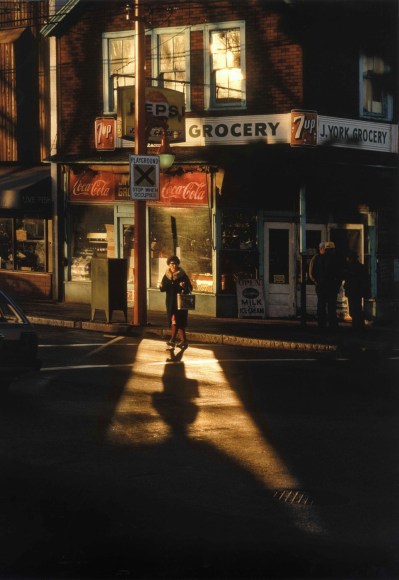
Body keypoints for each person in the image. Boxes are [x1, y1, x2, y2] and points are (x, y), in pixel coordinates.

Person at [159, 255, 193, 350]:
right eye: (171, 264)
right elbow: (163, 288)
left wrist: (184, 286)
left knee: (175, 320)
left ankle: (172, 340)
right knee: (179, 322)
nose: (173, 265)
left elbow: (190, 288)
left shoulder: (182, 275)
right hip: (170, 302)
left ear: (178, 264)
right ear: (169, 265)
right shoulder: (166, 275)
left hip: (180, 301)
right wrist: (161, 286)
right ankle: (183, 341)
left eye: (175, 263)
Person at [309, 241, 342, 330]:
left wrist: (317, 282)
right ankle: (333, 325)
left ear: (325, 249)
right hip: (332, 287)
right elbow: (339, 274)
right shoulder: (336, 259)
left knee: (321, 306)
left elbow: (312, 273)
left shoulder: (317, 258)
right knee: (332, 307)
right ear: (333, 249)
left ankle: (321, 325)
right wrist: (337, 285)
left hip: (321, 286)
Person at [343, 251, 369, 331]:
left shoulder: (349, 268)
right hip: (359, 291)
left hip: (352, 290)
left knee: (353, 309)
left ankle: (356, 325)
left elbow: (346, 279)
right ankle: (360, 325)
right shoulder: (362, 267)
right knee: (358, 308)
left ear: (351, 258)